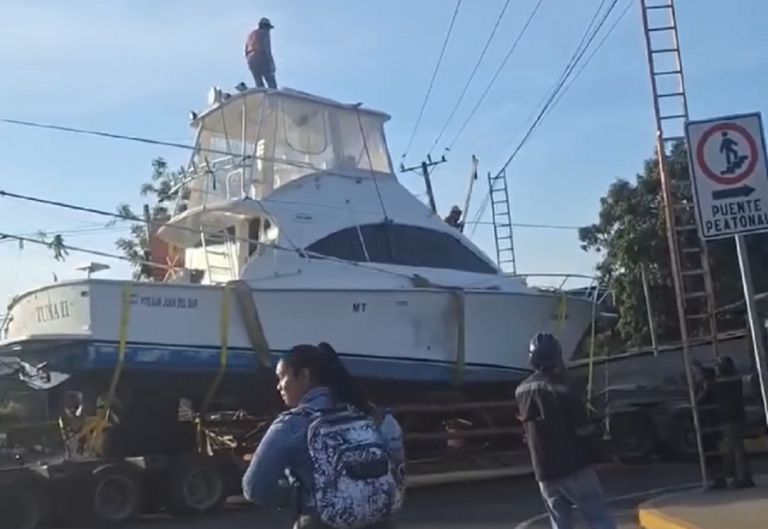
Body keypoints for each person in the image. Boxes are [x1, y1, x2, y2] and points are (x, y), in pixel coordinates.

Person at [242, 343, 405, 529]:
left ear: (304, 376)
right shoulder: (366, 412)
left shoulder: (292, 424)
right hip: (379, 521)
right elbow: (395, 452)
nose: (278, 387)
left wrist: (295, 495)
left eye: (281, 377)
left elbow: (254, 486)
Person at [515, 332, 616, 529]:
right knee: (598, 516)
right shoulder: (563, 387)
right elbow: (583, 429)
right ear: (556, 357)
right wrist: (601, 451)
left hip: (544, 471)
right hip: (574, 467)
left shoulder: (520, 391)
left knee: (560, 523)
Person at [714, 356, 754, 488]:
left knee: (737, 448)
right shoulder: (736, 379)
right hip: (738, 416)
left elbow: (711, 381)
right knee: (733, 447)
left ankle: (743, 478)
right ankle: (725, 475)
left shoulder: (721, 382)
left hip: (729, 418)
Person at [245, 17, 277, 89]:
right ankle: (274, 96)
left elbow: (245, 49)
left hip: (250, 58)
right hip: (260, 55)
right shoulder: (264, 33)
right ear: (265, 27)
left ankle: (260, 93)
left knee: (258, 81)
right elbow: (267, 48)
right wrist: (271, 63)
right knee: (270, 79)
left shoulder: (251, 34)